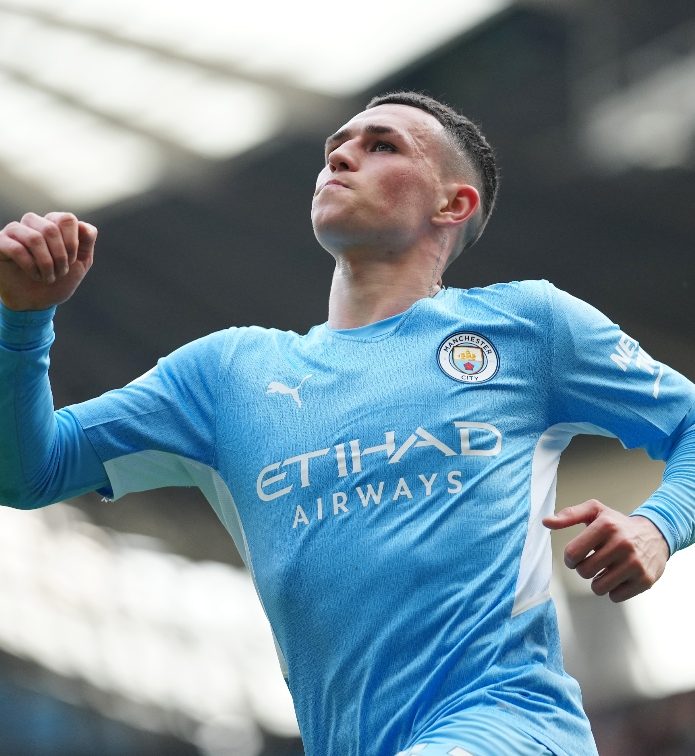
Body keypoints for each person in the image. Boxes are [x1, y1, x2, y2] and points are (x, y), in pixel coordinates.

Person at [1, 91, 694, 756]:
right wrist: (22, 322)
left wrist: (656, 525)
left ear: (452, 203)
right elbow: (29, 473)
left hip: (512, 726)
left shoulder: (526, 327)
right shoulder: (222, 376)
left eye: (382, 145)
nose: (339, 156)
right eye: (336, 145)